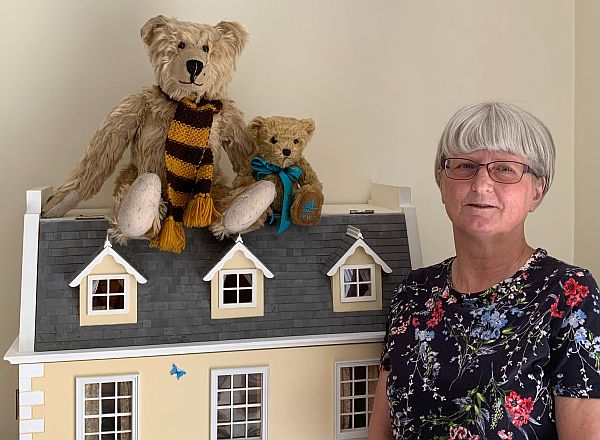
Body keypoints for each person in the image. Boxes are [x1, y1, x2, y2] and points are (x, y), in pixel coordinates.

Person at [368, 102, 600, 439]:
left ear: (538, 190)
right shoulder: (413, 292)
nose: (481, 184)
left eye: (505, 169)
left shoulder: (568, 293)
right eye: (464, 165)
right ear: (441, 181)